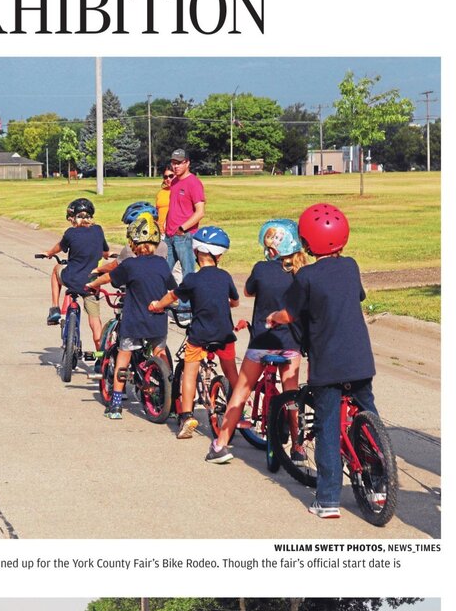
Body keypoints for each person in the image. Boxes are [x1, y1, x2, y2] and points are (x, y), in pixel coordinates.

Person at [265, 203, 377, 518]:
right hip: (360, 358)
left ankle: (328, 500)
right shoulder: (351, 266)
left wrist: (274, 317)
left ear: (307, 242)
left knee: (328, 427)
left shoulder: (307, 277)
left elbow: (290, 314)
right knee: (367, 412)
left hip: (328, 364)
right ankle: (379, 478)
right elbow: (355, 297)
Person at [206, 218, 307, 464]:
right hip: (290, 344)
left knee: (241, 391)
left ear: (271, 248)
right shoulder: (301, 273)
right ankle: (297, 447)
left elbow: (249, 291)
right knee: (292, 396)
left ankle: (221, 445)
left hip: (261, 342)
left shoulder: (261, 269)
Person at [148, 225, 239, 439]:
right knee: (231, 373)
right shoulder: (225, 276)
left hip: (200, 335)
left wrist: (157, 306)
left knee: (189, 372)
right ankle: (239, 408)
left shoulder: (192, 279)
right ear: (219, 256)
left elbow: (172, 296)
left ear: (197, 253)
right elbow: (235, 301)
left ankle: (187, 416)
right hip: (225, 335)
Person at [87, 212, 177, 420]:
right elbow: (172, 290)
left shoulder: (129, 265)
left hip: (134, 321)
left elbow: (111, 278)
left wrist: (92, 283)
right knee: (160, 351)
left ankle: (116, 405)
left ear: (132, 243)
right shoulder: (163, 264)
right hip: (157, 320)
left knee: (123, 357)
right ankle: (169, 397)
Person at [44, 198, 110, 351]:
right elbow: (104, 251)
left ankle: (55, 308)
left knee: (56, 269)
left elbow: (59, 248)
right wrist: (108, 255)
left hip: (71, 278)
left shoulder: (70, 233)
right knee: (94, 319)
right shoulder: (98, 230)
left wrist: (48, 253)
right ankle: (100, 355)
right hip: (91, 283)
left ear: (73, 218)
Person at [163, 148, 206, 314]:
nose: (176, 166)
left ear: (187, 163)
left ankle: (186, 308)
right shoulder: (174, 182)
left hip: (184, 236)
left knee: (188, 272)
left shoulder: (194, 183)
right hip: (170, 235)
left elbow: (200, 212)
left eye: (179, 163)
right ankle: (164, 303)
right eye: (174, 163)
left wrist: (183, 228)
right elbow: (174, 207)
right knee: (162, 271)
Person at [155, 166, 174, 233]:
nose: (168, 179)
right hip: (159, 231)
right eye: (165, 177)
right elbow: (157, 211)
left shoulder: (180, 191)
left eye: (171, 176)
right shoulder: (161, 192)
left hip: (173, 232)